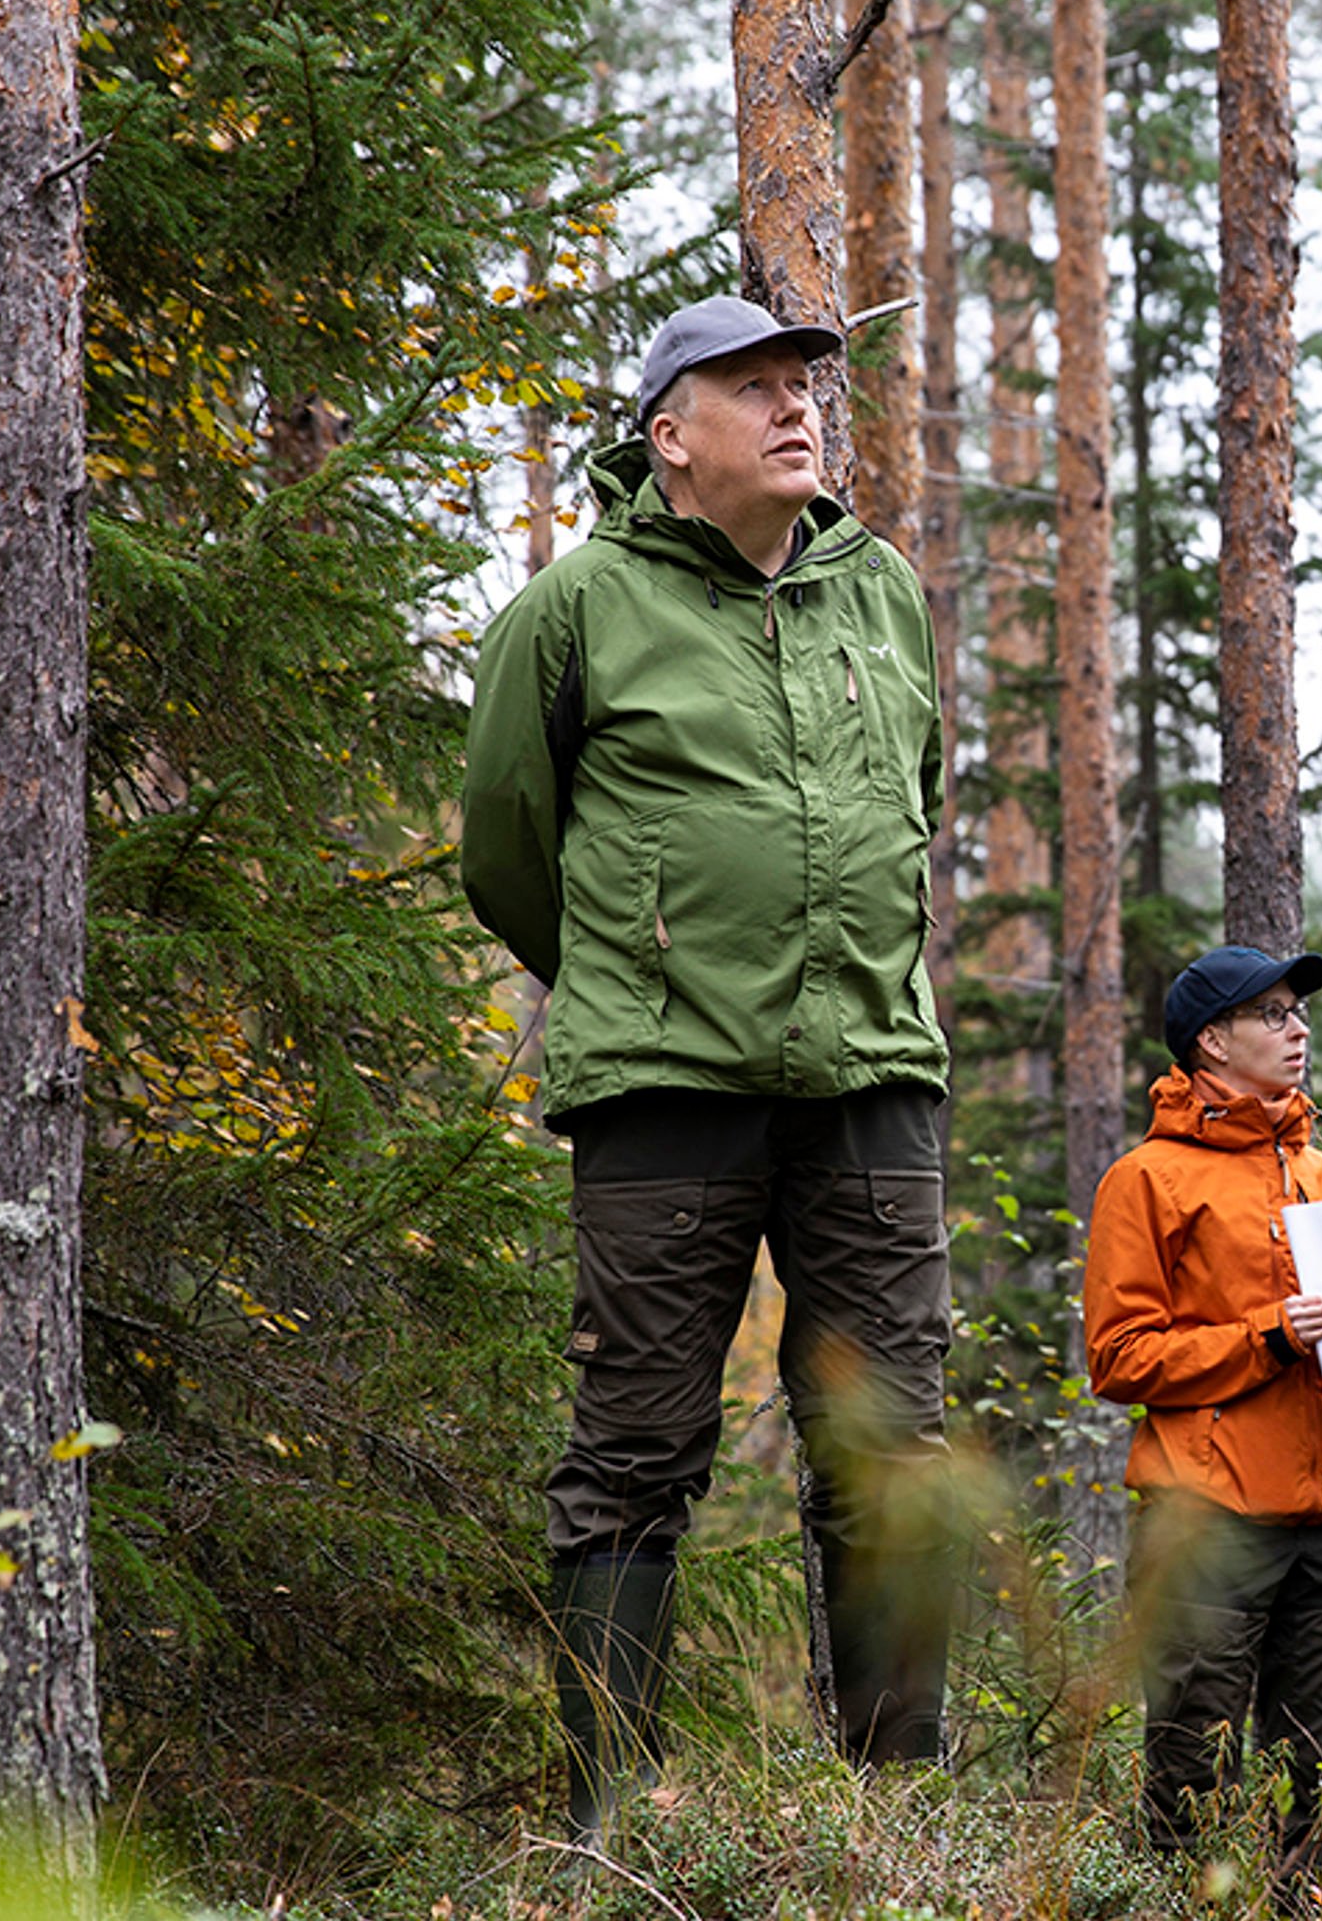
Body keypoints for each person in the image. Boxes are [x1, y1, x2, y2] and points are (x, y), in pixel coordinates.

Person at [461, 294, 956, 1842]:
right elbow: (507, 856)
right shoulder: (577, 610)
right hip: (663, 1093)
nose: (799, 406)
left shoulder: (882, 592)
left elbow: (918, 804)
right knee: (632, 1458)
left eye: (805, 383)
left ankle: (897, 1816)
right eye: (755, 388)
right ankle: (609, 1823)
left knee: (889, 1448)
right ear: (671, 436)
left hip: (873, 1077)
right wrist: (645, 972)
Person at [1081, 945, 1322, 1893]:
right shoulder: (1146, 1180)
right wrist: (1265, 1337)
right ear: (1211, 1041)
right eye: (1273, 1014)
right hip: (1210, 1516)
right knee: (1196, 1770)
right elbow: (1120, 1359)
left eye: (1298, 1013)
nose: (1297, 1029)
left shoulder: (1321, 1171)